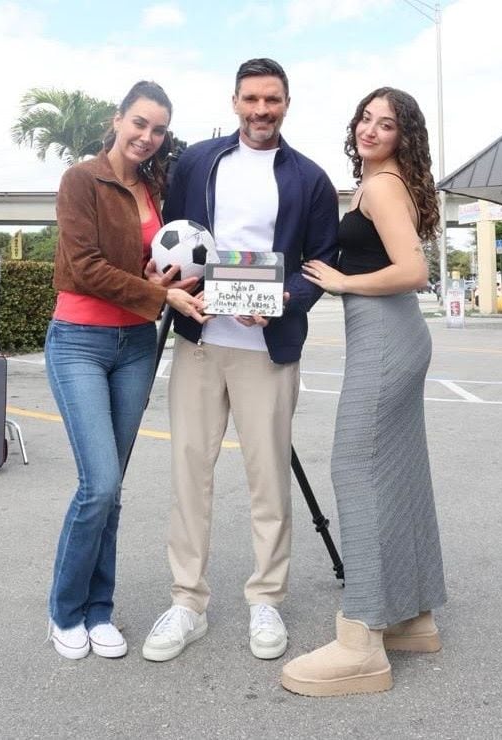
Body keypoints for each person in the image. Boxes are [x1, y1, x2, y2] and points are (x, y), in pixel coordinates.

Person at [142, 58, 339, 663]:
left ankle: (266, 600)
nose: (261, 110)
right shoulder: (198, 161)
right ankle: (186, 601)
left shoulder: (311, 179)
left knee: (267, 480)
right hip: (200, 342)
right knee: (188, 473)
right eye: (251, 99)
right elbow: (173, 240)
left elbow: (320, 266)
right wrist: (163, 277)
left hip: (268, 350)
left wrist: (283, 300)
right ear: (234, 101)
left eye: (272, 100)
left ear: (286, 102)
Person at [280, 87, 448, 695]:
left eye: (387, 123)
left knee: (353, 467)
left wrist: (342, 280)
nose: (371, 130)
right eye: (365, 118)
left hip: (385, 336)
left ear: (405, 136)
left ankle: (362, 641)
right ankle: (412, 616)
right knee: (398, 472)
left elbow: (414, 270)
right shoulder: (387, 183)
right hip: (397, 335)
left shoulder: (381, 187)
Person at [45, 80, 206, 660]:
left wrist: (162, 283)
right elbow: (84, 266)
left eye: (158, 129)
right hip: (81, 341)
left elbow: (152, 260)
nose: (147, 136)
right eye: (139, 123)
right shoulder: (81, 179)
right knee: (100, 484)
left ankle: (99, 610)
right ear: (118, 120)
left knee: (112, 492)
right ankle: (65, 610)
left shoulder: (155, 186)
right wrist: (159, 295)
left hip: (136, 344)